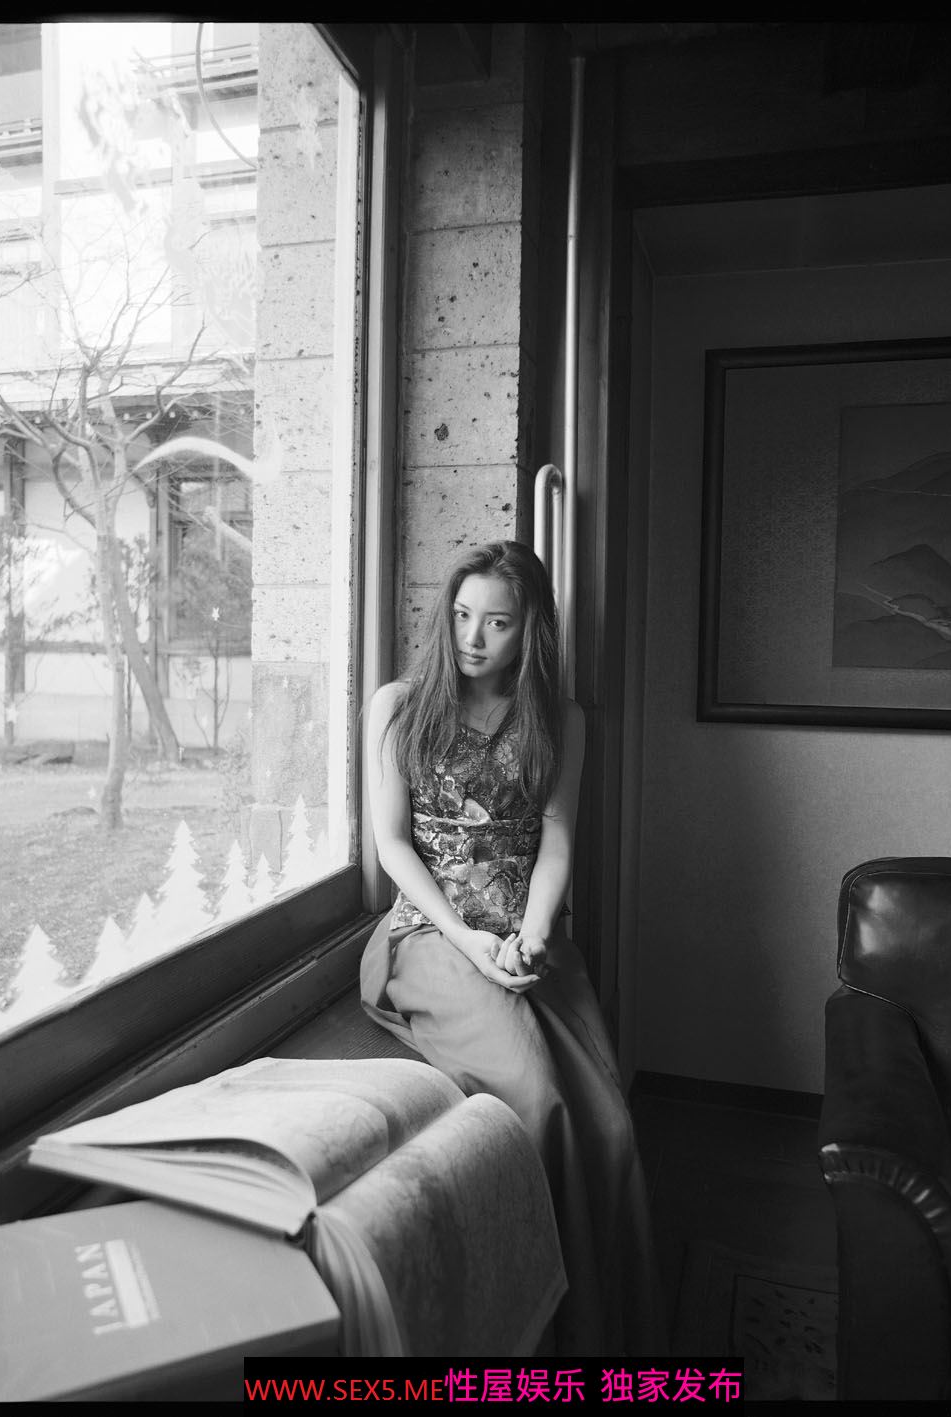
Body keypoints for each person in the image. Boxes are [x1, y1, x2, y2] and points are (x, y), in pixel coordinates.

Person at [360, 539, 664, 1356]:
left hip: (529, 940)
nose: (473, 636)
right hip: (430, 934)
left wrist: (530, 935)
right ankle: (533, 1337)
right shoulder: (398, 704)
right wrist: (467, 938)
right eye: (463, 615)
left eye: (496, 622)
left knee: (610, 1128)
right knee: (536, 1100)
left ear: (529, 628)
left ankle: (603, 1338)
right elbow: (392, 845)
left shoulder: (561, 719)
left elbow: (557, 843)